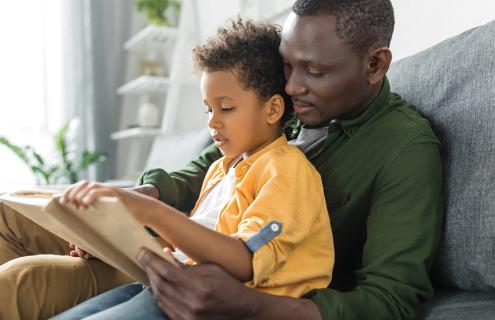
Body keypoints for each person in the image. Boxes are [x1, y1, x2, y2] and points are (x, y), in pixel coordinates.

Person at [0, 0, 443, 319]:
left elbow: (391, 300)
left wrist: (254, 307)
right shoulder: (287, 111)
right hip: (172, 253)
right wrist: (126, 208)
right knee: (10, 212)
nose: (289, 87)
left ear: (375, 64)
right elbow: (207, 173)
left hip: (235, 281)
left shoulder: (404, 148)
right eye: (287, 66)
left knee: (22, 282)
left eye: (315, 71)